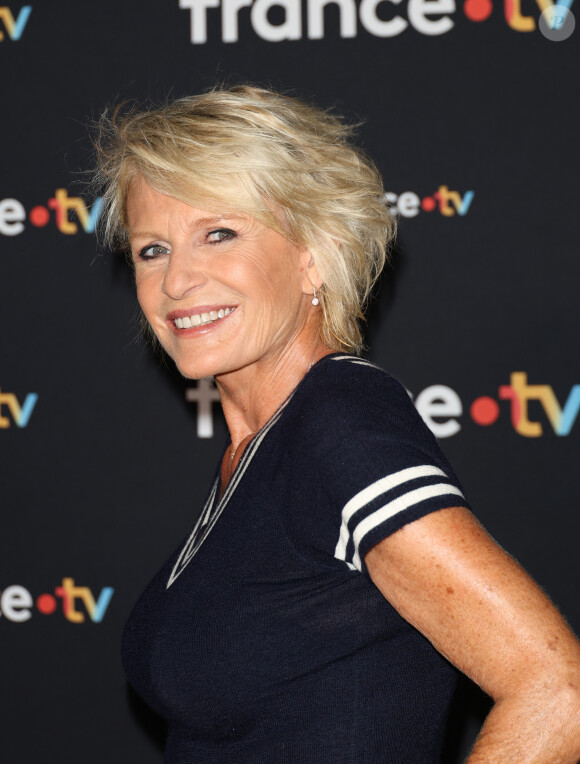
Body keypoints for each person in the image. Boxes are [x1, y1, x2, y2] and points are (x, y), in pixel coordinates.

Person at [94, 85, 580, 763]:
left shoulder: (340, 424)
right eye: (152, 250)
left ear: (312, 254)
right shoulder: (260, 446)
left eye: (219, 233)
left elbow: (556, 689)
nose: (176, 281)